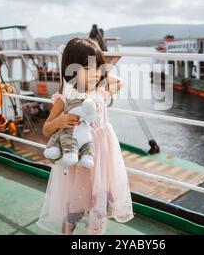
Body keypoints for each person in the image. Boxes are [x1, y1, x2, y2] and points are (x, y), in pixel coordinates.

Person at [37, 38, 134, 235]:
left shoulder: (100, 90)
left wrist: (102, 71)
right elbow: (46, 129)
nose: (94, 73)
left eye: (97, 68)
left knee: (101, 201)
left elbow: (120, 83)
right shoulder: (66, 98)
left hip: (103, 157)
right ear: (72, 70)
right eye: (87, 69)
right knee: (75, 208)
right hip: (80, 161)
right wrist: (60, 122)